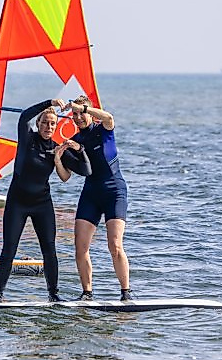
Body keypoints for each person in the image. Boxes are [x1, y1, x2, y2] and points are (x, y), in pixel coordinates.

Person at [0, 99, 90, 303]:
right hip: (17, 202)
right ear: (38, 123)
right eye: (45, 122)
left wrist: (79, 150)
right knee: (9, 249)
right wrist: (49, 102)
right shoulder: (27, 139)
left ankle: (53, 295)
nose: (48, 127)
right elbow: (24, 115)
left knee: (49, 250)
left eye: (52, 123)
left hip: (41, 204)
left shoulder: (56, 149)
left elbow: (86, 170)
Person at [62, 96, 133, 301]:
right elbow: (66, 176)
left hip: (114, 191)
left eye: (81, 113)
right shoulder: (75, 141)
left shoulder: (104, 129)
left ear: (90, 113)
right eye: (74, 115)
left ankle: (126, 292)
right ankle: (87, 293)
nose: (78, 118)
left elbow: (108, 116)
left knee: (115, 245)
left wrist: (83, 107)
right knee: (80, 246)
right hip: (91, 193)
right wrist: (59, 156)